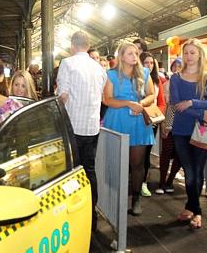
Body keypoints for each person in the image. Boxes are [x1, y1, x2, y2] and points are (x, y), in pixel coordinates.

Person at [56, 31, 107, 230]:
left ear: (72, 45)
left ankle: (74, 212)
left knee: (71, 172)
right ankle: (91, 212)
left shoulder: (67, 64)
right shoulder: (99, 68)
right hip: (92, 127)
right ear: (87, 45)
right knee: (89, 169)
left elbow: (63, 96)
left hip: (72, 127)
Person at [102, 42, 155, 215]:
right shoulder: (111, 74)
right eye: (130, 53)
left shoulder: (145, 73)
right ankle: (116, 197)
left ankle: (136, 198)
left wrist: (140, 104)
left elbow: (152, 95)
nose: (135, 56)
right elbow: (107, 100)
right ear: (122, 56)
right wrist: (127, 103)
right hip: (117, 119)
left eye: (136, 53)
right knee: (117, 162)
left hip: (138, 121)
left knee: (137, 163)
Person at [170, 38, 207, 229]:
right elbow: (176, 104)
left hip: (202, 131)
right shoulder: (176, 78)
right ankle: (197, 211)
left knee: (197, 171)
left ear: (200, 54)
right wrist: (200, 111)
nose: (188, 56)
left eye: (192, 52)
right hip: (181, 130)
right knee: (189, 172)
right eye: (186, 52)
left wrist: (192, 103)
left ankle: (191, 207)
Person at [139, 52, 166, 198]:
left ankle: (143, 183)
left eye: (151, 63)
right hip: (136, 120)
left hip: (151, 122)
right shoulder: (134, 79)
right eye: (145, 63)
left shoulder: (157, 82)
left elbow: (162, 102)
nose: (148, 65)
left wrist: (156, 116)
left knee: (146, 154)